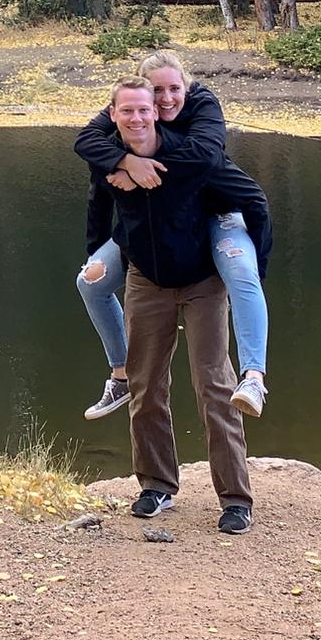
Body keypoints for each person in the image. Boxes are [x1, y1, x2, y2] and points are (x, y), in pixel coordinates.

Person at [88, 74, 272, 535]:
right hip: (145, 282)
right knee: (146, 386)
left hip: (201, 283)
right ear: (114, 115)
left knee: (215, 386)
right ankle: (157, 486)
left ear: (157, 111)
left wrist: (257, 263)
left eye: (144, 109)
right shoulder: (109, 156)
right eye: (126, 111)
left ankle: (235, 499)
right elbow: (97, 206)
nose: (136, 117)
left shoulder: (190, 157)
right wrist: (94, 253)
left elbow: (252, 198)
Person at [72, 52, 271, 424]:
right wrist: (127, 162)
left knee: (242, 273)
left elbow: (209, 156)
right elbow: (86, 144)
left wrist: (144, 170)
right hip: (158, 222)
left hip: (216, 214)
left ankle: (254, 378)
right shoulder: (132, 111)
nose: (165, 99)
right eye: (157, 90)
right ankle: (121, 374)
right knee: (90, 281)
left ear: (187, 85)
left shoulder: (201, 104)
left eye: (174, 88)